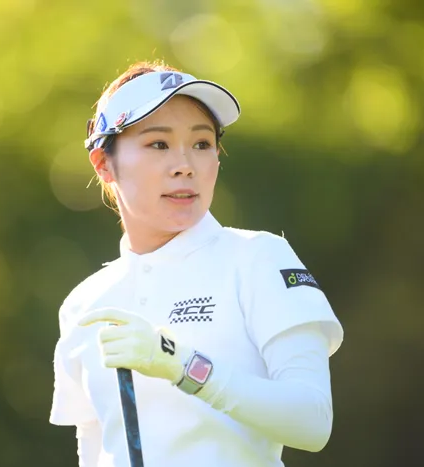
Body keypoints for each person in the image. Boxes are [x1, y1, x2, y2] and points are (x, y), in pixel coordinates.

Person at [50, 60, 344, 467]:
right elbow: (95, 445)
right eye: (159, 144)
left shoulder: (259, 258)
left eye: (202, 144)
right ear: (103, 163)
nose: (185, 165)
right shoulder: (84, 304)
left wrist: (182, 365)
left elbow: (312, 421)